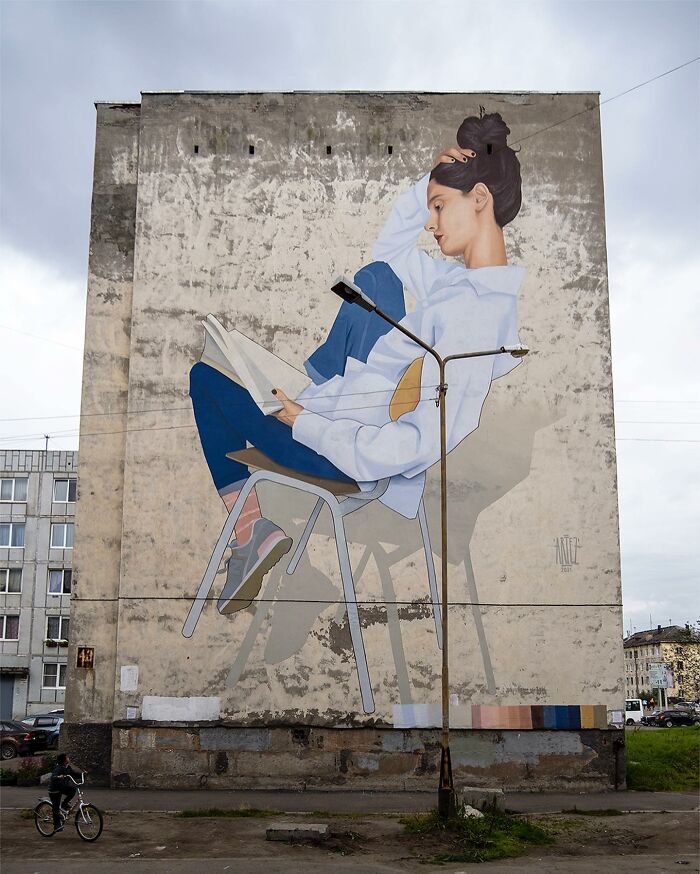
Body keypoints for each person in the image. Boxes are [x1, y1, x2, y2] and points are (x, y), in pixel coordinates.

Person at [189, 112, 524, 616]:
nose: (430, 224)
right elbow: (388, 253)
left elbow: (419, 441)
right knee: (375, 276)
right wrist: (426, 183)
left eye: (438, 207)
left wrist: (309, 424)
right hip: (338, 422)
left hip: (345, 461)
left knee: (206, 379)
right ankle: (254, 529)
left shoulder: (477, 318)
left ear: (479, 199)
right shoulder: (459, 287)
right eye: (429, 209)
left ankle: (250, 532)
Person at [48, 752, 82, 832]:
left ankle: (64, 804)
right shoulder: (58, 768)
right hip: (54, 790)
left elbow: (74, 774)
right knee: (55, 807)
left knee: (72, 789)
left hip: (62, 787)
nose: (68, 758)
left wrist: (82, 774)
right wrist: (58, 777)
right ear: (64, 761)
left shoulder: (68, 768)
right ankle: (56, 825)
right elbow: (53, 777)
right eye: (67, 758)